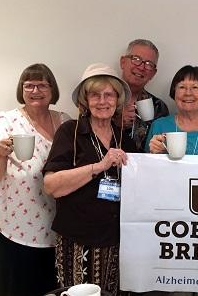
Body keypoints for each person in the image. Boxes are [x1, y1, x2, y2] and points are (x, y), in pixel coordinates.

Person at [42, 63, 137, 295]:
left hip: (115, 240)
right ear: (85, 100)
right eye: (95, 95)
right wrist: (99, 166)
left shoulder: (124, 138)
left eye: (109, 95)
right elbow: (51, 186)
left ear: (117, 99)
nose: (102, 101)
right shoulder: (71, 132)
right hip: (78, 238)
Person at [0, 63, 70, 296]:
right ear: (21, 90)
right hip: (9, 224)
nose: (35, 90)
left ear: (53, 90)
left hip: (52, 225)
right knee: (14, 289)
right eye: (28, 85)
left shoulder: (64, 121)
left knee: (51, 289)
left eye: (42, 84)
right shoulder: (3, 121)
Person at [117, 39, 169, 151]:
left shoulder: (159, 107)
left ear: (153, 74)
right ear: (122, 62)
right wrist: (114, 120)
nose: (141, 67)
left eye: (149, 64)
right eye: (136, 59)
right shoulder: (102, 100)